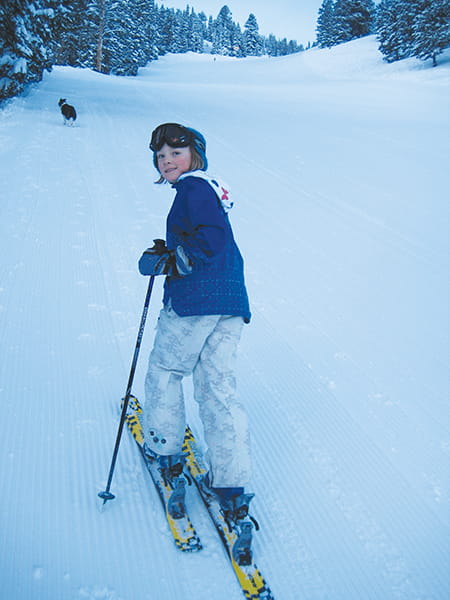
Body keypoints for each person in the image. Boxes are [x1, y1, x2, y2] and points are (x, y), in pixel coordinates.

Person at [138, 123, 255, 542]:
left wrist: (177, 261)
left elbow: (211, 238)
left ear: (195, 155)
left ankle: (165, 450)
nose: (167, 160)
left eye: (176, 152)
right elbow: (213, 236)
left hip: (195, 302)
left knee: (167, 371)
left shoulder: (193, 188)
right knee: (217, 387)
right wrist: (170, 252)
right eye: (161, 155)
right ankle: (230, 483)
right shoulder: (209, 191)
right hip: (229, 302)